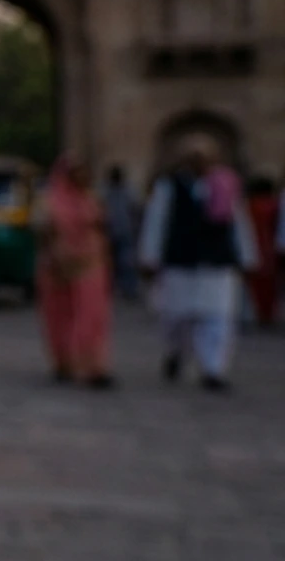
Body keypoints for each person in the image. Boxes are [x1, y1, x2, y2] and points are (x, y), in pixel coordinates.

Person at [138, 138, 258, 391]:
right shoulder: (169, 187)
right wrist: (150, 256)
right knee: (177, 316)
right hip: (181, 260)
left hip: (216, 261)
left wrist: (247, 256)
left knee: (217, 317)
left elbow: (238, 222)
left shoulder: (225, 185)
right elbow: (157, 222)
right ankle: (176, 352)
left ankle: (213, 369)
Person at [33, 154, 113, 388]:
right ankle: (64, 362)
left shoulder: (91, 199)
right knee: (60, 316)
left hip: (91, 263)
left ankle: (93, 366)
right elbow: (41, 230)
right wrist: (56, 256)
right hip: (58, 266)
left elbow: (101, 227)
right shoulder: (49, 200)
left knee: (92, 315)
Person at [100, 165, 140, 302]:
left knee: (127, 262)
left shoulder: (129, 191)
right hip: (109, 232)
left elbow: (135, 210)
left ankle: (129, 289)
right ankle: (110, 288)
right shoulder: (105, 191)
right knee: (110, 263)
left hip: (125, 231)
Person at [246, 176, 278, 325]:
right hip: (268, 247)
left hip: (255, 246)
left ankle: (260, 312)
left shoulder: (250, 206)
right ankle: (266, 313)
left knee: (257, 283)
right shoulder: (272, 206)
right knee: (268, 283)